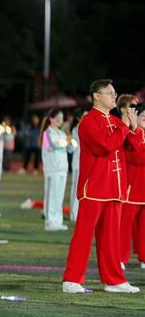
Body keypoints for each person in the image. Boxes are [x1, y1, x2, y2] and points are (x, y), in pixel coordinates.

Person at [62, 79, 140, 294]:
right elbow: (105, 146)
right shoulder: (88, 121)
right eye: (110, 93)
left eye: (114, 93)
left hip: (114, 189)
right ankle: (72, 279)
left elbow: (134, 152)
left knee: (111, 240)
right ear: (97, 96)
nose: (114, 96)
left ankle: (114, 280)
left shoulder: (115, 121)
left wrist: (134, 128)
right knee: (84, 236)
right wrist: (125, 127)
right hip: (95, 188)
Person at [41, 109, 76, 231]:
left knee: (59, 197)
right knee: (52, 196)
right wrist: (65, 142)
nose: (60, 121)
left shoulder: (62, 134)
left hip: (62, 169)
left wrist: (71, 142)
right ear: (51, 119)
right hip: (52, 170)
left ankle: (58, 221)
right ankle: (50, 222)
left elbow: (71, 149)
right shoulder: (47, 134)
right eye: (58, 118)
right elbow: (51, 146)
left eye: (62, 118)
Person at [121, 102, 145, 268]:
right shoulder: (131, 134)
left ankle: (143, 257)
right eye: (143, 117)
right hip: (132, 185)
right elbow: (136, 157)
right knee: (125, 225)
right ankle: (121, 257)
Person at [69, 110, 87, 221]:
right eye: (84, 116)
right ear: (78, 118)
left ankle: (80, 213)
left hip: (85, 163)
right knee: (76, 188)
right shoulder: (76, 129)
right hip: (77, 163)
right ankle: (74, 213)